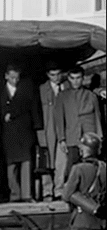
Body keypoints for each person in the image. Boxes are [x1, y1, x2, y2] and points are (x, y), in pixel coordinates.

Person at [0, 65, 44, 202]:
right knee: (11, 164)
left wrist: (37, 127)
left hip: (25, 129)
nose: (15, 80)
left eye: (17, 77)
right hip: (8, 132)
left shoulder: (26, 88)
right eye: (12, 77)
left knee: (26, 161)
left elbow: (32, 107)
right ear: (6, 76)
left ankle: (26, 195)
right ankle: (14, 194)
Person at [55, 66, 103, 181]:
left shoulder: (91, 96)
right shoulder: (62, 96)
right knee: (72, 166)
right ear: (69, 79)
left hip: (89, 136)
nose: (75, 81)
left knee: (90, 166)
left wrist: (99, 137)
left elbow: (97, 117)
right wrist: (62, 138)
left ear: (82, 78)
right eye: (73, 78)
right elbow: (60, 119)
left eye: (78, 78)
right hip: (72, 136)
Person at [37, 62, 67, 201]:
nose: (56, 78)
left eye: (58, 74)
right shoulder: (41, 89)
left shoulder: (66, 87)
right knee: (46, 160)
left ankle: (59, 189)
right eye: (53, 75)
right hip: (46, 128)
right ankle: (47, 191)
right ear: (48, 75)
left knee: (62, 160)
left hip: (63, 128)